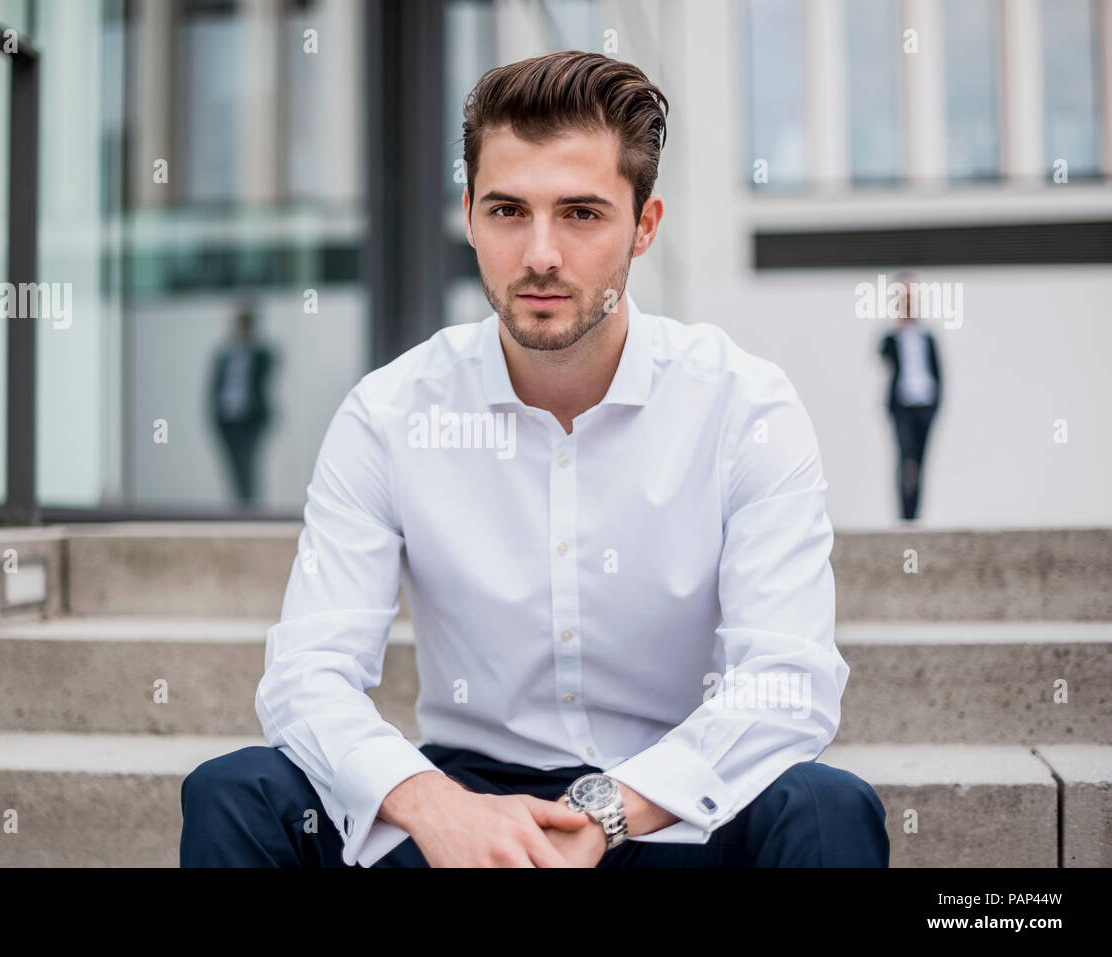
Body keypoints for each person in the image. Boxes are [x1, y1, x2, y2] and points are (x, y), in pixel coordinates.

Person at [182, 51, 888, 868]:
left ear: (645, 226)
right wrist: (437, 807)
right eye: (509, 210)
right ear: (471, 217)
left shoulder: (744, 407)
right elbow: (307, 676)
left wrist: (606, 813)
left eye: (582, 214)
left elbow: (786, 682)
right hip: (464, 806)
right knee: (236, 790)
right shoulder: (390, 413)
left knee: (829, 809)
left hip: (667, 806)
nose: (541, 254)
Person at [878, 272, 941, 522]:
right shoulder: (893, 336)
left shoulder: (927, 336)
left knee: (921, 461)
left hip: (924, 406)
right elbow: (881, 356)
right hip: (902, 407)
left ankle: (915, 518)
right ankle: (903, 516)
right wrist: (897, 328)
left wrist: (936, 406)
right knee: (906, 460)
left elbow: (938, 374)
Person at [209, 306, 275, 507]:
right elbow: (215, 385)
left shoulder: (260, 354)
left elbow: (267, 374)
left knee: (247, 460)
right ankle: (239, 503)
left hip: (251, 418)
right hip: (227, 417)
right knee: (233, 462)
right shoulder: (225, 355)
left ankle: (249, 505)